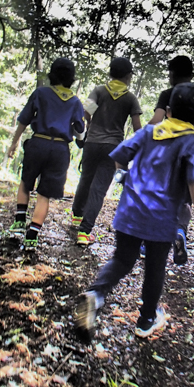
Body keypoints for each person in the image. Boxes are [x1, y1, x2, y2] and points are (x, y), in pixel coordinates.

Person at [74, 82, 194, 343]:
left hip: (129, 212)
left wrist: (123, 174)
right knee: (154, 267)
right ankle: (146, 319)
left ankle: (95, 295)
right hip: (161, 219)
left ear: (169, 110)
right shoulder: (192, 142)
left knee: (122, 259)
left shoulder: (149, 132)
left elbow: (120, 154)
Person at [7, 57, 85, 248]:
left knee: (26, 183)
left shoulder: (40, 93)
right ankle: (32, 234)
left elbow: (24, 119)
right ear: (71, 78)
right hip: (59, 150)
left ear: (52, 74)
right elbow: (80, 129)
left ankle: (18, 223)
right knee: (44, 194)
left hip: (38, 143)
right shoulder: (75, 102)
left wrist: (14, 143)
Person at [147, 55, 194, 265]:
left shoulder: (168, 94)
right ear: (192, 74)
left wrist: (143, 140)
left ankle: (147, 240)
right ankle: (179, 231)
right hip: (192, 152)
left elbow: (156, 122)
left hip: (165, 151)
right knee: (184, 200)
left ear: (172, 73)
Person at [72, 57, 142, 246]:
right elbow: (137, 127)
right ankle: (84, 232)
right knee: (99, 189)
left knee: (85, 179)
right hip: (113, 148)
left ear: (110, 73)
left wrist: (89, 129)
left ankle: (77, 216)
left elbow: (85, 114)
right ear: (128, 76)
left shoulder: (99, 91)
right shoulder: (130, 98)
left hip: (92, 143)